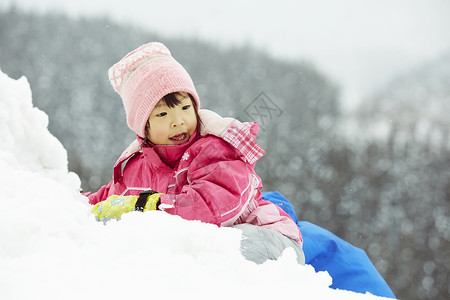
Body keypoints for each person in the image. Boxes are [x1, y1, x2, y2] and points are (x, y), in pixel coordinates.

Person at [87, 42, 305, 265]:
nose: (178, 121)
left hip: (268, 240)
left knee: (218, 252)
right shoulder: (136, 169)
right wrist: (64, 199)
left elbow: (210, 209)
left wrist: (148, 205)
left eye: (184, 108)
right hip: (210, 247)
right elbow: (101, 200)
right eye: (162, 114)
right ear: (144, 126)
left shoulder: (216, 150)